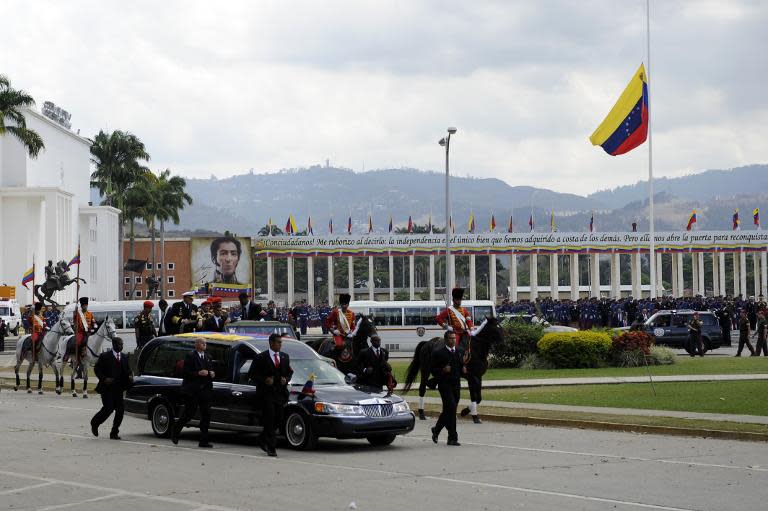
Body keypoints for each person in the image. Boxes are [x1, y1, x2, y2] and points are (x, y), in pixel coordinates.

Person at [248, 334, 293, 457]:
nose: (280, 344)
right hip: (266, 394)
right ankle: (271, 447)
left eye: (281, 342)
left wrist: (286, 379)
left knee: (279, 418)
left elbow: (289, 372)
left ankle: (262, 438)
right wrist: (264, 380)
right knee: (270, 418)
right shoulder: (261, 357)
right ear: (271, 343)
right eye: (278, 342)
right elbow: (252, 373)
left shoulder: (284, 357)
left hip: (280, 393)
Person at [172, 337, 215, 448]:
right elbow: (186, 373)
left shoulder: (208, 357)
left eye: (205, 343)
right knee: (189, 413)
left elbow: (211, 371)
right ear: (196, 345)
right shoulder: (191, 356)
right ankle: (175, 431)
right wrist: (198, 373)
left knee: (206, 414)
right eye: (202, 343)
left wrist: (211, 373)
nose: (204, 344)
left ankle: (204, 440)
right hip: (192, 390)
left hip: (205, 390)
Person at [90, 337, 133, 440]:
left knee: (120, 411)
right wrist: (104, 379)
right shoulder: (105, 356)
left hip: (119, 388)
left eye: (122, 344)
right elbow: (97, 369)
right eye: (119, 344)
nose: (121, 346)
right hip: (107, 388)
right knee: (108, 408)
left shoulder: (124, 357)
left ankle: (114, 432)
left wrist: (130, 377)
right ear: (114, 345)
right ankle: (95, 423)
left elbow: (127, 371)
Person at [430, 331, 465, 447]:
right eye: (450, 338)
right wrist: (442, 370)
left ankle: (436, 429)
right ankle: (452, 438)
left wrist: (464, 369)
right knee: (452, 408)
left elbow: (461, 366)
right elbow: (433, 370)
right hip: (444, 385)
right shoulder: (438, 353)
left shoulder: (459, 351)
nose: (453, 340)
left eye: (454, 338)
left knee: (449, 410)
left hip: (456, 385)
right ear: (446, 340)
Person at [73, 297, 97, 373]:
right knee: (79, 342)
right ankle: (79, 356)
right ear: (81, 306)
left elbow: (93, 322)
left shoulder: (90, 314)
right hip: (80, 332)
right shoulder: (78, 314)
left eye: (86, 305)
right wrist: (75, 313)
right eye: (84, 306)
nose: (85, 307)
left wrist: (95, 326)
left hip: (89, 332)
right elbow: (76, 322)